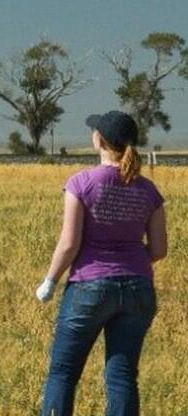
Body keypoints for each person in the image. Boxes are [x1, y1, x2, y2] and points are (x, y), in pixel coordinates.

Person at [36, 110, 168, 416]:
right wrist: (129, 259)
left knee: (64, 372)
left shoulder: (82, 183)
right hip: (139, 288)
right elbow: (159, 249)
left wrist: (50, 281)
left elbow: (69, 244)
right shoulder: (148, 190)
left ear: (100, 140)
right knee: (122, 377)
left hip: (89, 287)